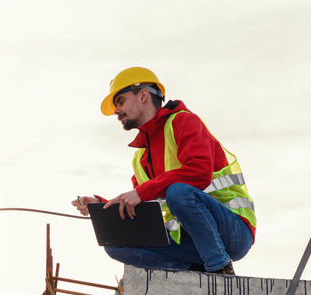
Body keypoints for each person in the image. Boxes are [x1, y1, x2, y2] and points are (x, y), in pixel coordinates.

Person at [73, 67, 256, 275]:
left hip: (233, 230)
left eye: (121, 101)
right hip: (193, 243)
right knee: (116, 244)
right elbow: (143, 209)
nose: (116, 111)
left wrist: (141, 193)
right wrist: (103, 206)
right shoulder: (140, 159)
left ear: (142, 95)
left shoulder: (183, 121)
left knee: (178, 192)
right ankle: (194, 270)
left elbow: (200, 171)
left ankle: (220, 269)